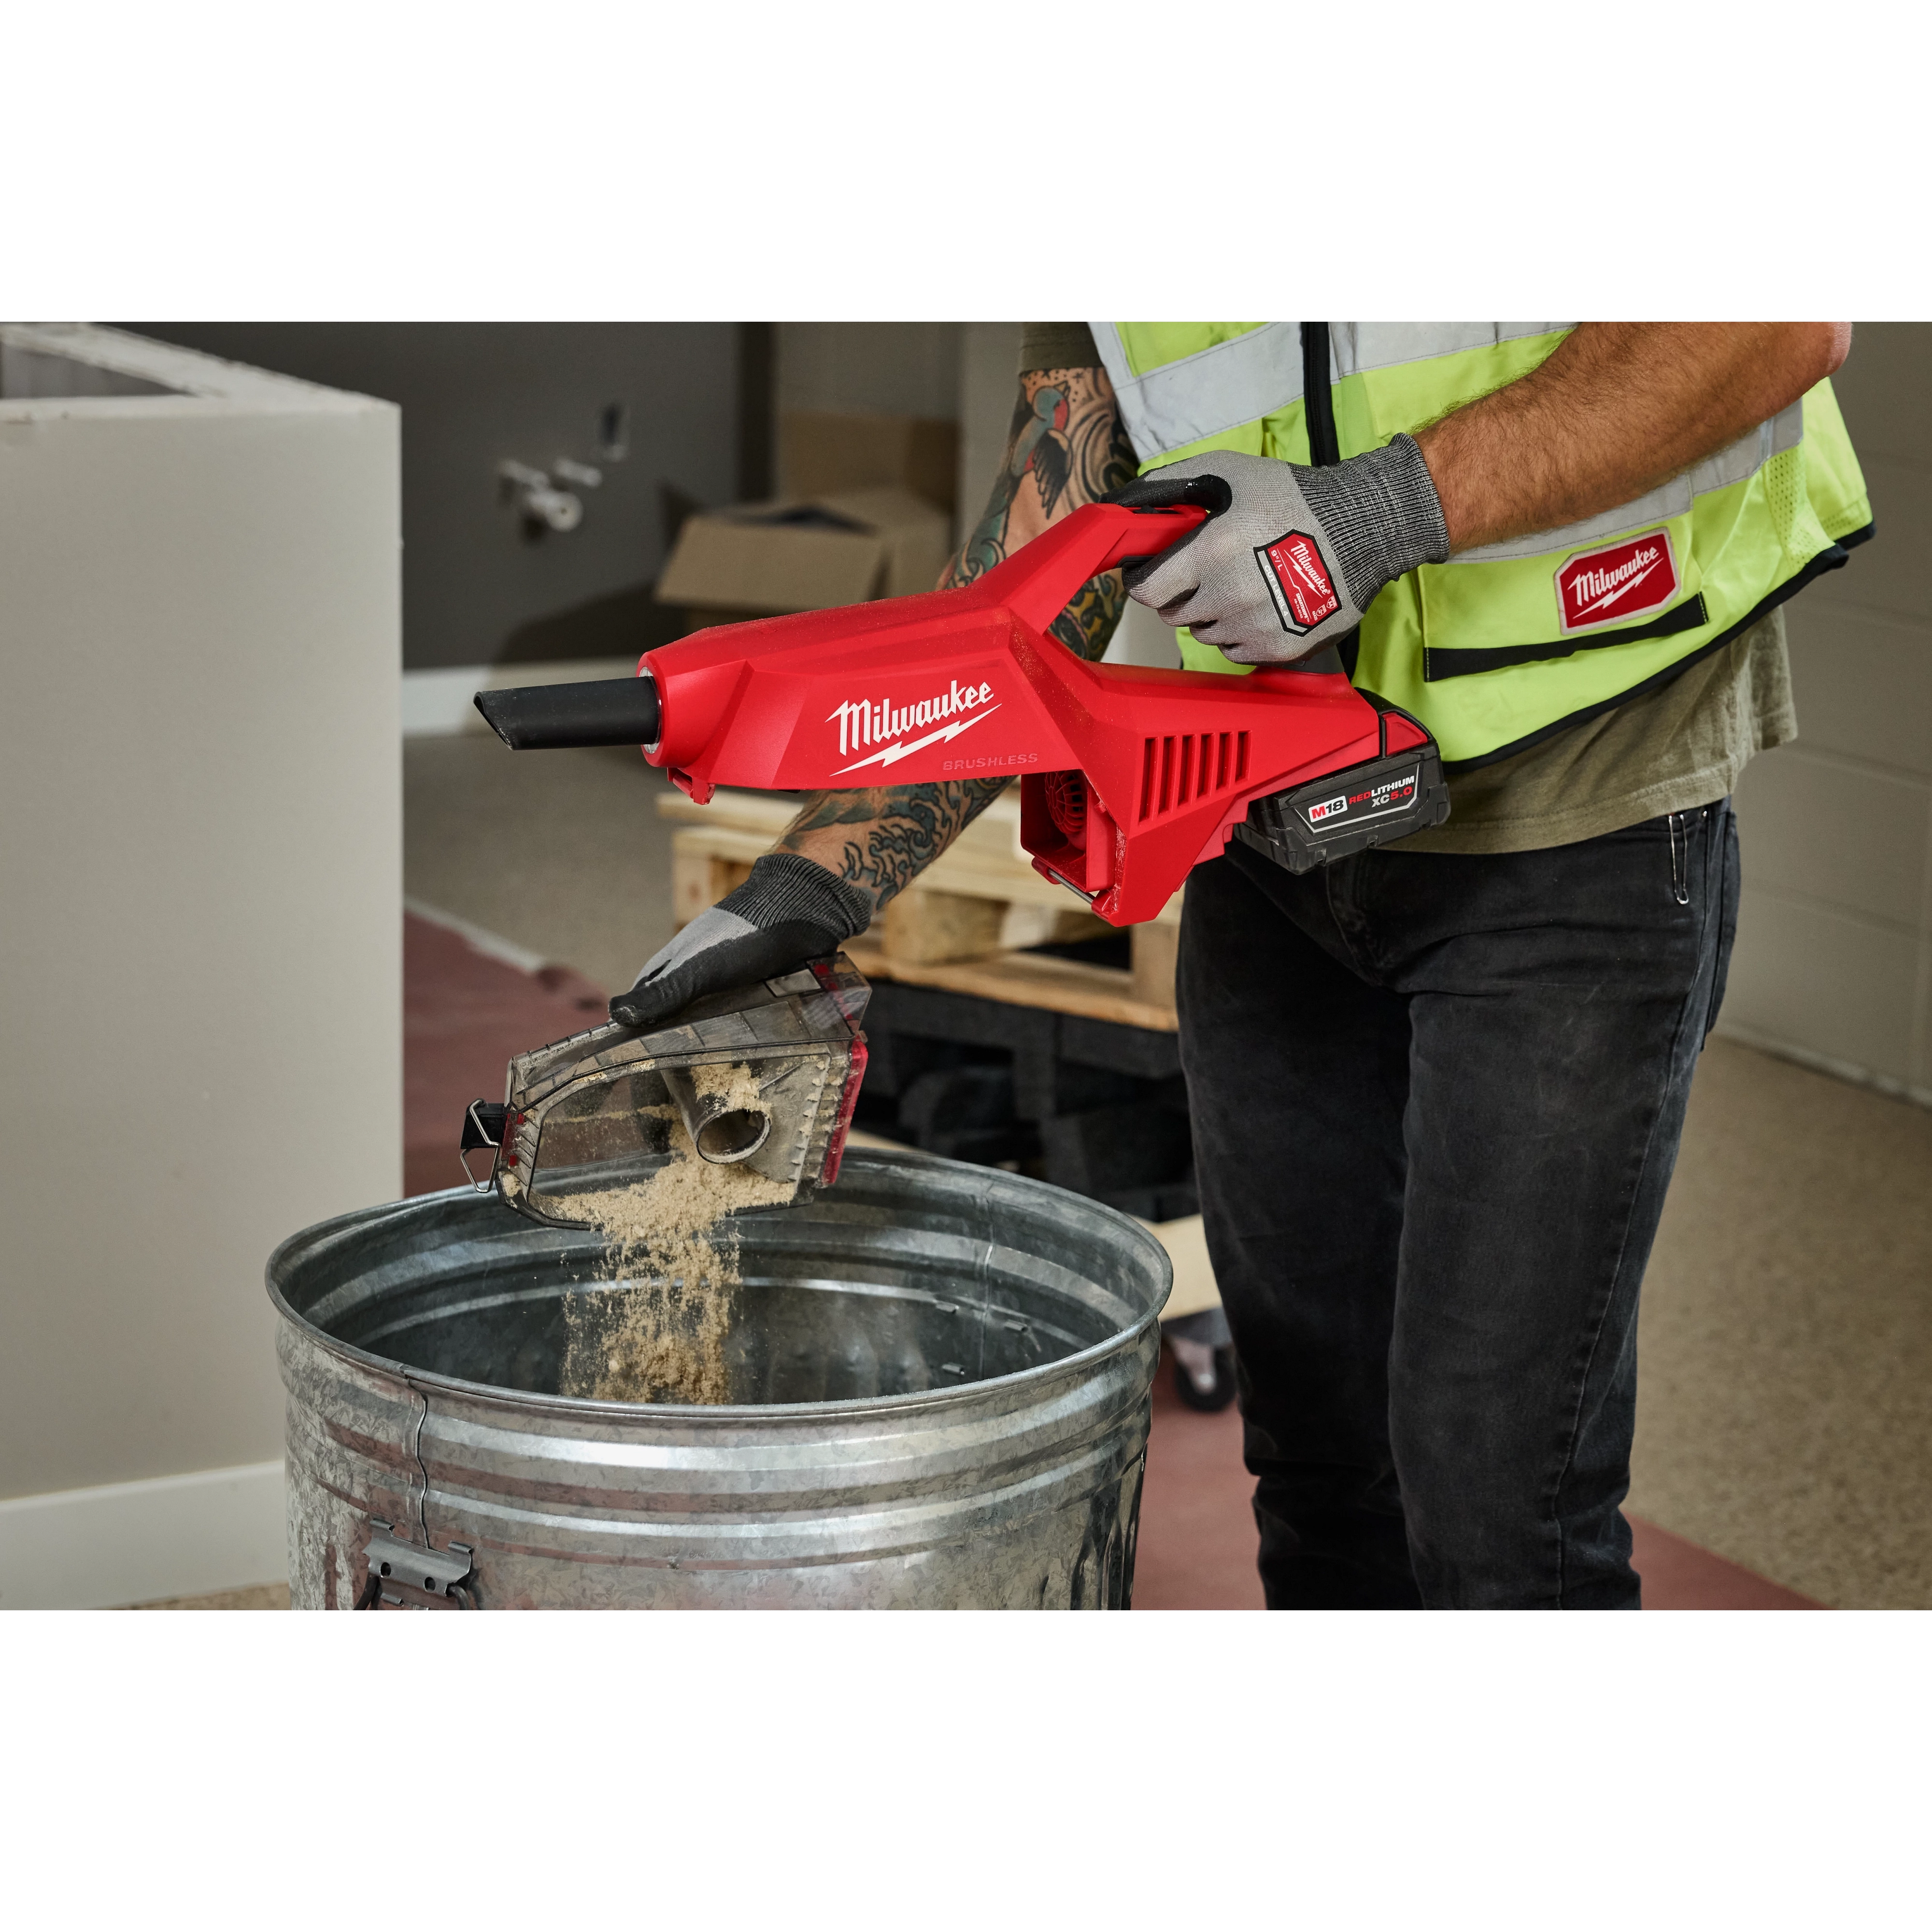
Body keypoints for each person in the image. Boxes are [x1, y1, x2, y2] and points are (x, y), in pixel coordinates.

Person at [614, 321, 1869, 1611]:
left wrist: (1382, 508)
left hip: (1577, 816)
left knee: (1501, 1510)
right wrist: (814, 886)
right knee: (1320, 1457)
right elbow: (1052, 538)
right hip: (1274, 827)